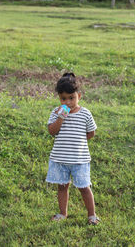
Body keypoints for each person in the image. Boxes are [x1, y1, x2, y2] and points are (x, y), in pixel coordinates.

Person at [46, 72, 100, 225]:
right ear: (59, 98)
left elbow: (91, 133)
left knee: (84, 187)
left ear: (79, 96)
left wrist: (79, 142)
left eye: (72, 98)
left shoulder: (85, 114)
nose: (68, 102)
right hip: (60, 159)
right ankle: (63, 213)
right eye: (64, 98)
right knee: (62, 187)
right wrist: (60, 118)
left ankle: (92, 215)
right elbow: (52, 132)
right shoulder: (56, 112)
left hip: (79, 159)